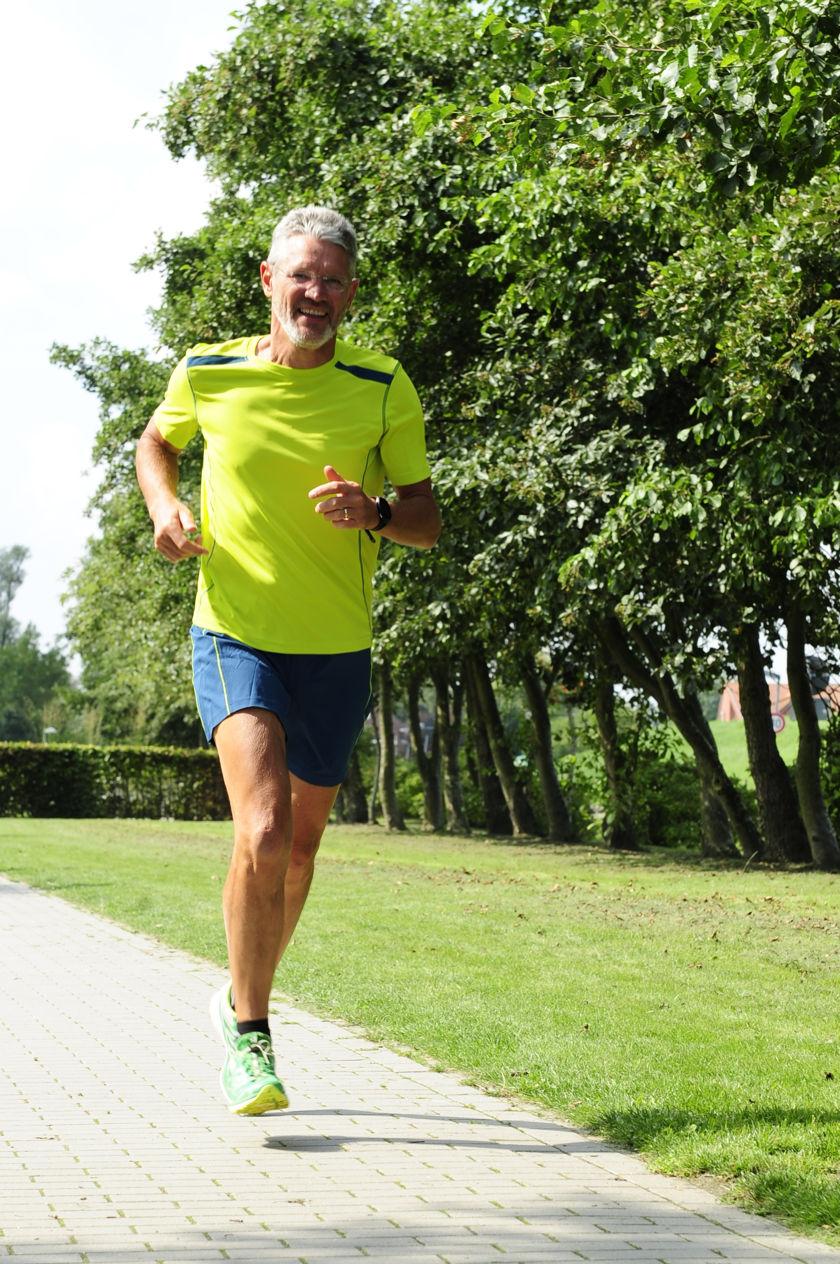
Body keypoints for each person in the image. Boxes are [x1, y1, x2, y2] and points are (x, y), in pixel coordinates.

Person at [136, 206, 440, 1116]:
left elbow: (426, 520)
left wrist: (376, 512)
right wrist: (166, 505)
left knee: (300, 850)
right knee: (262, 830)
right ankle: (253, 1037)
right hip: (233, 631)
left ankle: (240, 994)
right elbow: (156, 442)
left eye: (334, 280)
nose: (316, 294)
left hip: (337, 648)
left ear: (351, 292)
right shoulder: (209, 370)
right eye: (301, 276)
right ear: (268, 281)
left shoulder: (382, 386)